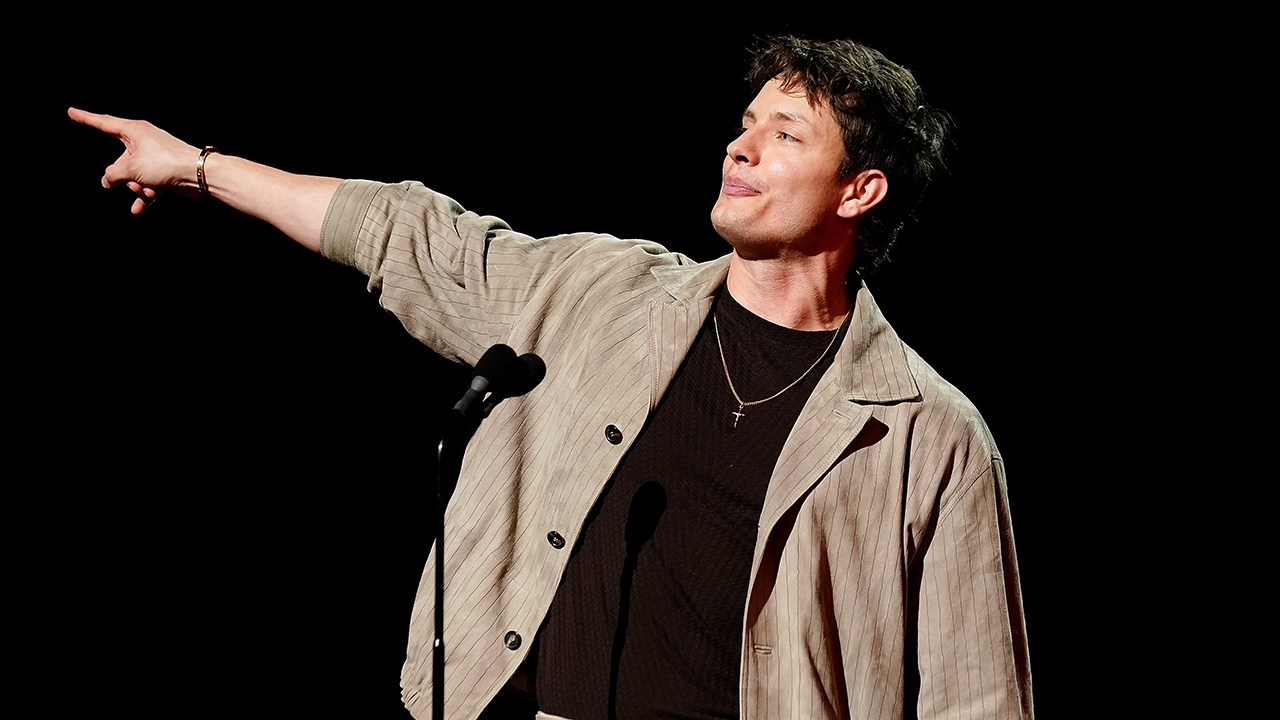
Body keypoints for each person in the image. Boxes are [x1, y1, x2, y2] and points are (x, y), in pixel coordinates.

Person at [71, 36, 1032, 720]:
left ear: (860, 190)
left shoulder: (928, 432)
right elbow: (409, 234)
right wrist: (196, 167)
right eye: (745, 124)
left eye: (785, 134)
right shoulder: (601, 293)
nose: (739, 147)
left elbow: (977, 694)